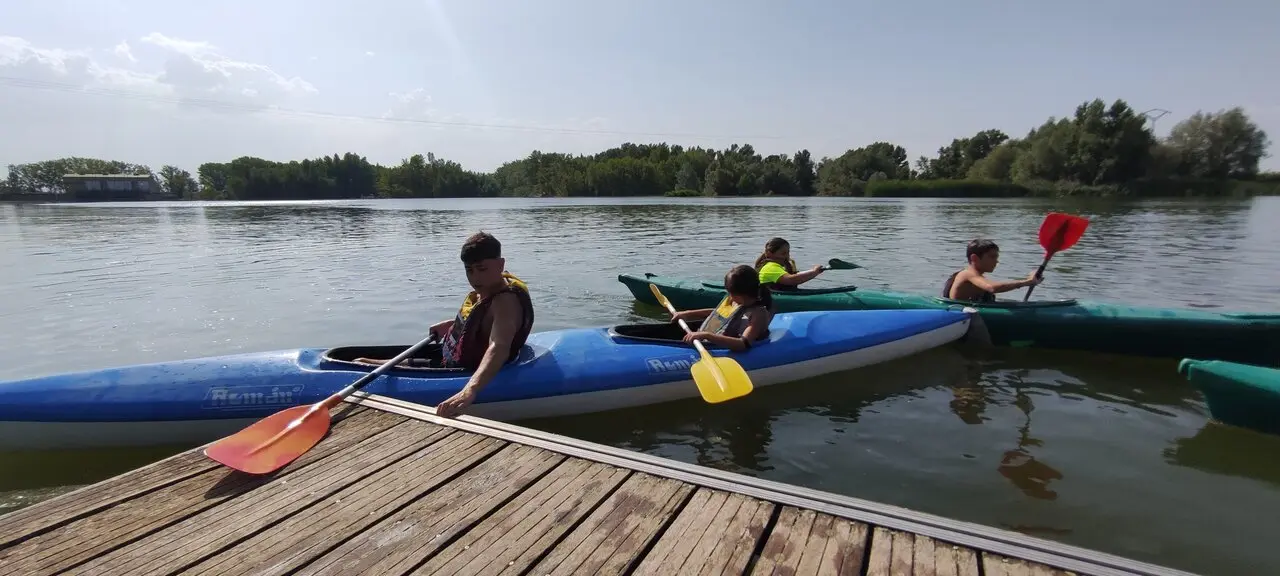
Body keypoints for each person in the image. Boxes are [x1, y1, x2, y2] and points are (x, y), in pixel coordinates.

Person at [355, 231, 534, 418]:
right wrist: (453, 325)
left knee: (363, 365)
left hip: (466, 368)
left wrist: (470, 390)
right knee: (364, 361)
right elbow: (481, 322)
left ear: (500, 264)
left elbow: (499, 346)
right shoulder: (491, 287)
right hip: (451, 357)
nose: (475, 278)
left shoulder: (505, 302)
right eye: (469, 270)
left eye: (482, 269)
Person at [670, 264, 774, 352]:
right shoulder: (735, 301)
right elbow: (717, 313)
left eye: (730, 293)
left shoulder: (758, 313)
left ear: (740, 295)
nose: (729, 296)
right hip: (710, 342)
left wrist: (707, 336)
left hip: (728, 347)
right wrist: (687, 314)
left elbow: (743, 344)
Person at [942, 238, 1042, 303]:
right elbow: (992, 287)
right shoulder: (967, 274)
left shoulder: (977, 277)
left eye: (996, 257)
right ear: (974, 258)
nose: (996, 261)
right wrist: (1027, 282)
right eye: (992, 257)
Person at [754, 237, 824, 291]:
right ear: (770, 254)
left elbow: (795, 275)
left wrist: (813, 271)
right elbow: (792, 280)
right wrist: (814, 272)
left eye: (788, 252)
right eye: (783, 253)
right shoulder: (769, 267)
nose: (787, 256)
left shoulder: (780, 267)